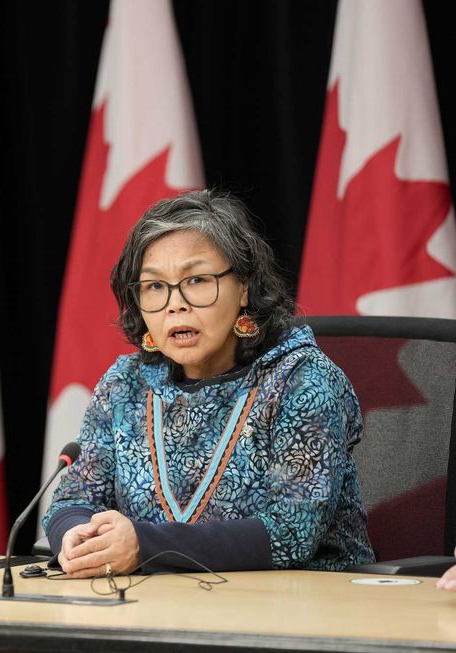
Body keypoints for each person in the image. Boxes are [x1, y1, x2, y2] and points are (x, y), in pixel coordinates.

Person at [43, 189, 374, 577]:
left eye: (196, 280)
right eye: (153, 286)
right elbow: (73, 499)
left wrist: (145, 547)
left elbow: (292, 531)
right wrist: (76, 538)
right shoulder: (124, 385)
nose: (174, 304)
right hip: (160, 609)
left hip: (304, 610)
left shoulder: (300, 379)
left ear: (244, 287)